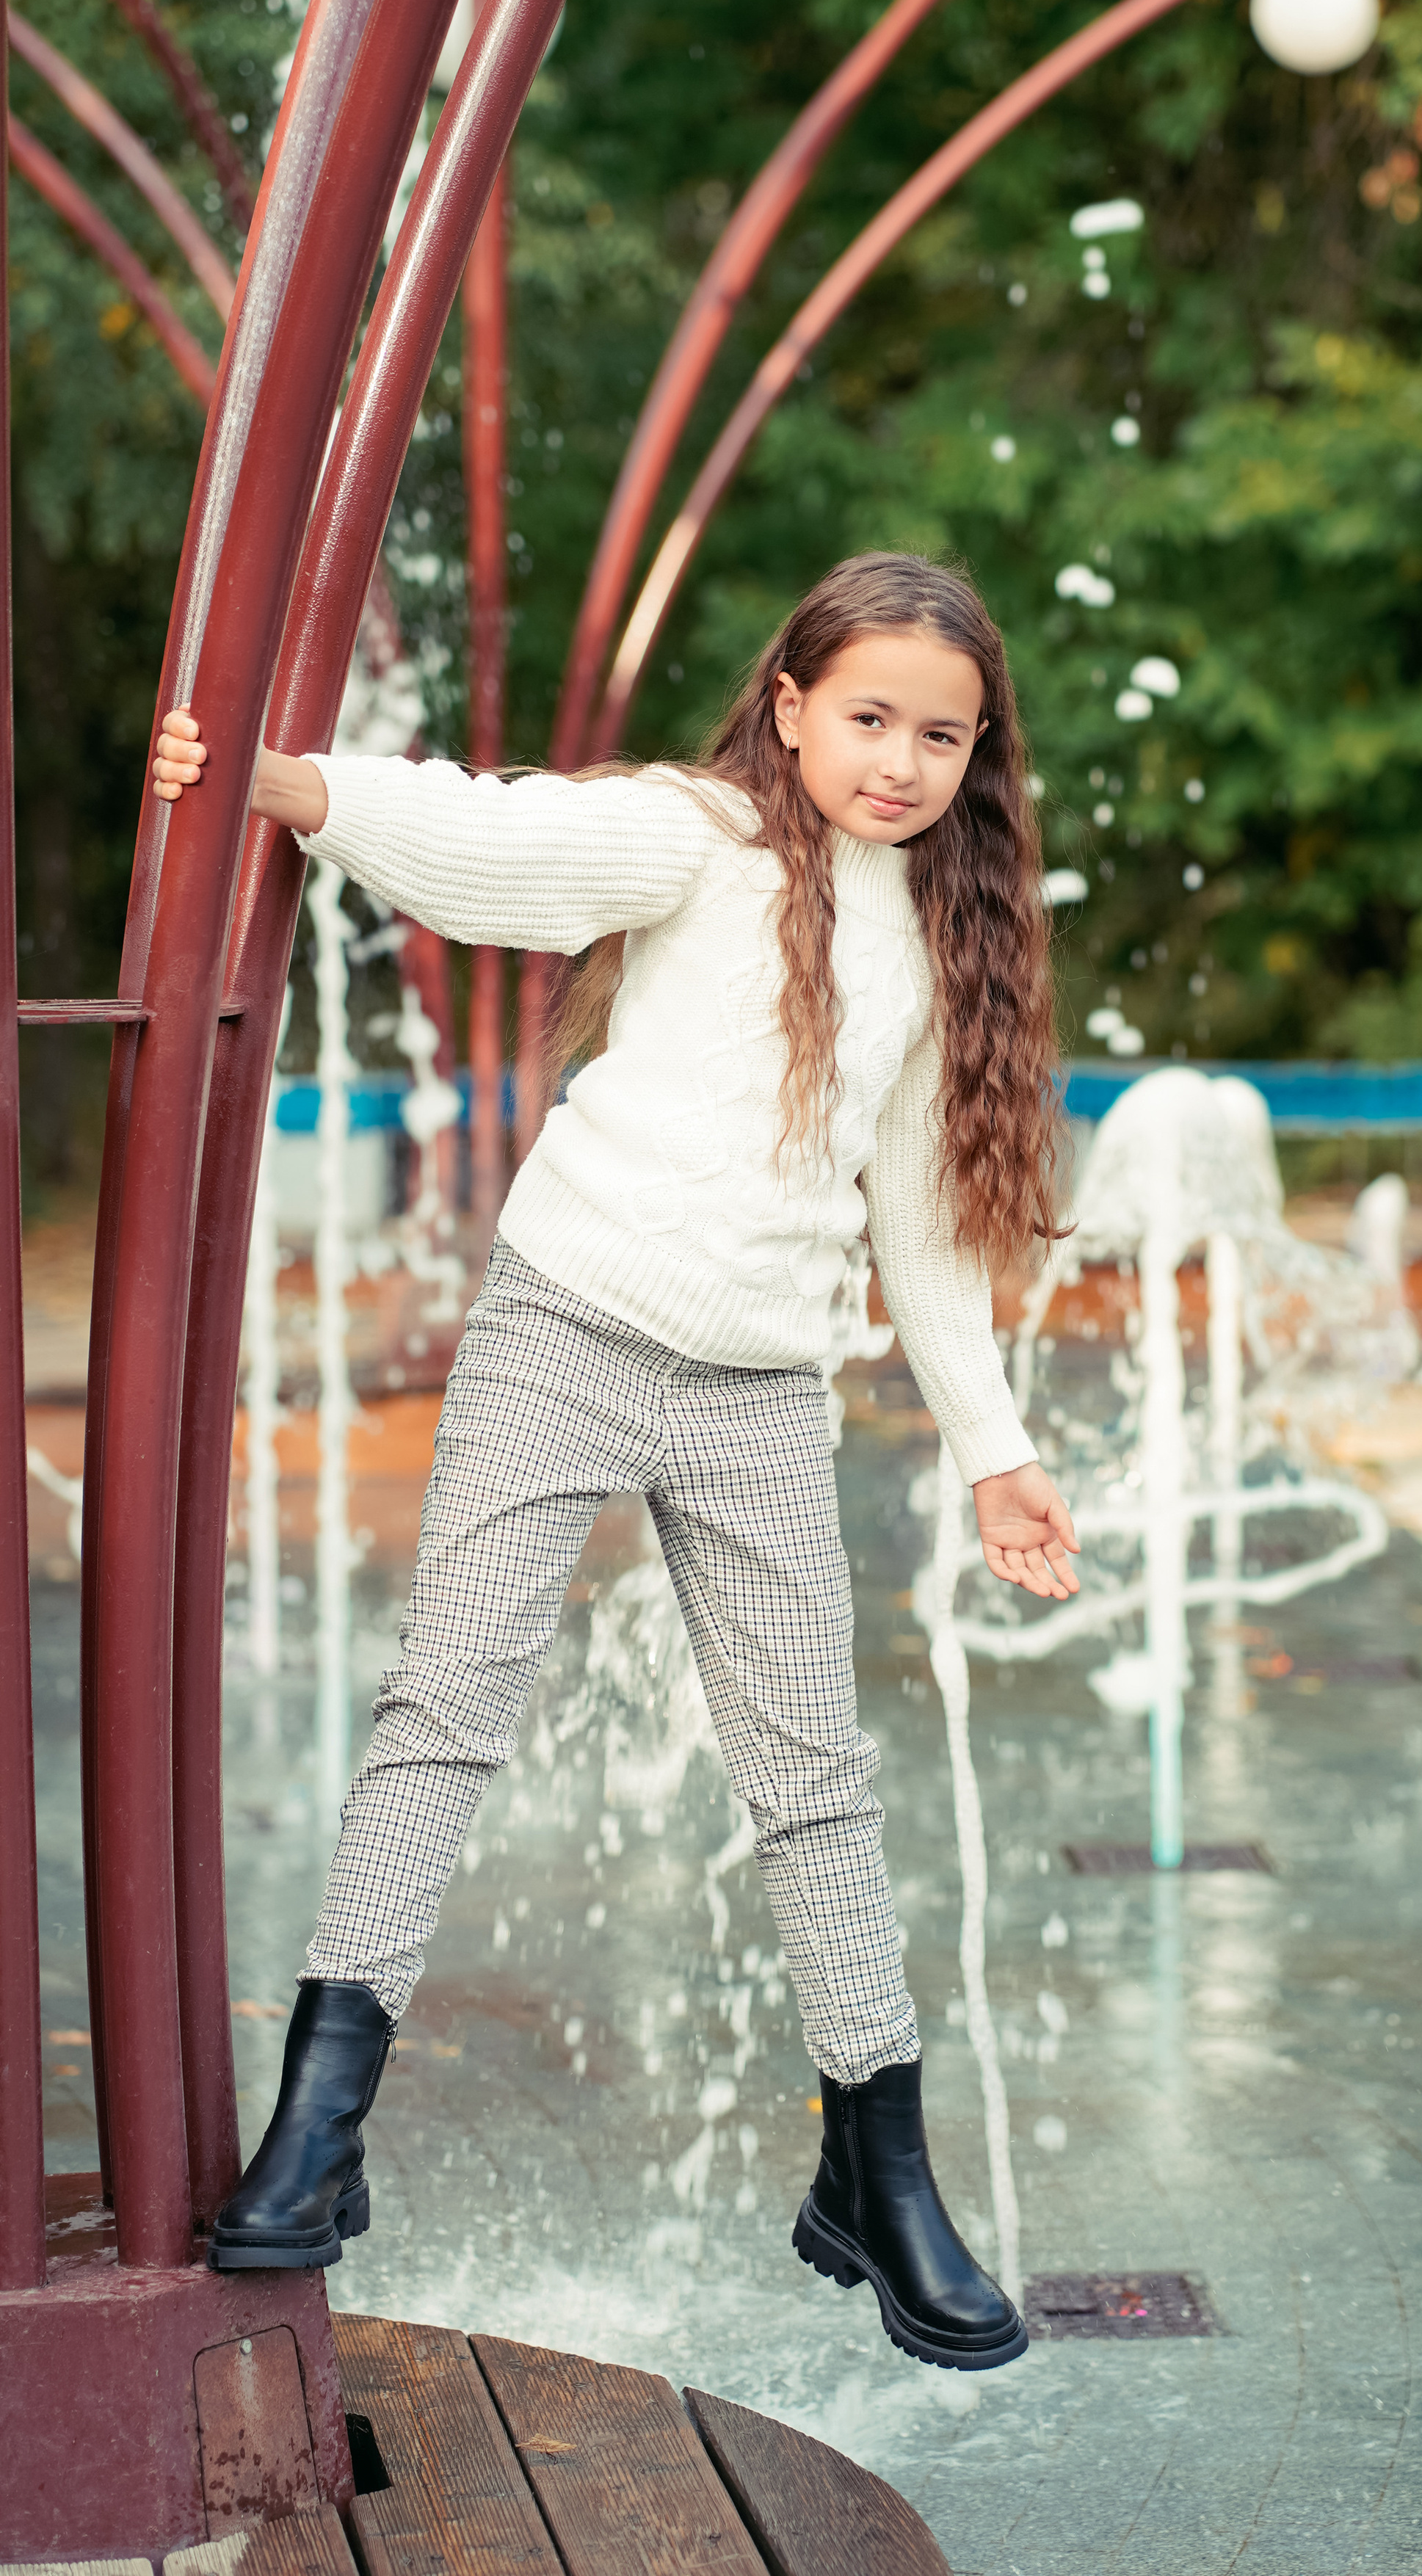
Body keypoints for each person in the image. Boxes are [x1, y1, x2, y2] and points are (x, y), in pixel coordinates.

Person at [151, 551, 1080, 2372]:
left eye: (942, 738)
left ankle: (876, 2173)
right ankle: (319, 2132)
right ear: (795, 704)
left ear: (979, 760)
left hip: (753, 1396)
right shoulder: (701, 840)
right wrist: (289, 786)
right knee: (448, 1708)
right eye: (870, 718)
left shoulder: (936, 937)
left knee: (811, 1780)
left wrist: (992, 1450)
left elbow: (920, 1217)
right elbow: (496, 849)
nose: (899, 762)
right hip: (565, 1326)